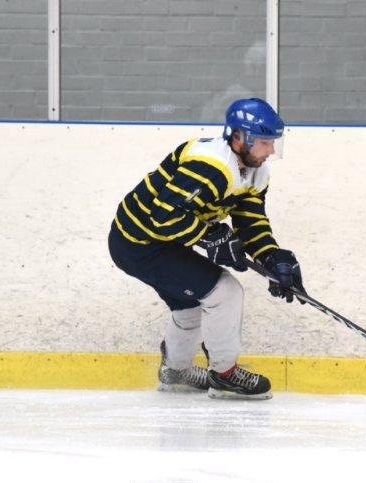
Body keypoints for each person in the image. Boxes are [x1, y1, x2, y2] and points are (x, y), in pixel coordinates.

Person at [108, 98, 305, 400]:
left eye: (273, 143)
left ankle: (175, 373)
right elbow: (164, 216)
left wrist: (272, 257)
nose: (270, 151)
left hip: (161, 241)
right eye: (265, 142)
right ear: (239, 137)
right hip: (138, 242)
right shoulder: (211, 166)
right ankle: (224, 375)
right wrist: (211, 237)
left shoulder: (256, 172)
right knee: (225, 293)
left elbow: (250, 222)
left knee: (190, 306)